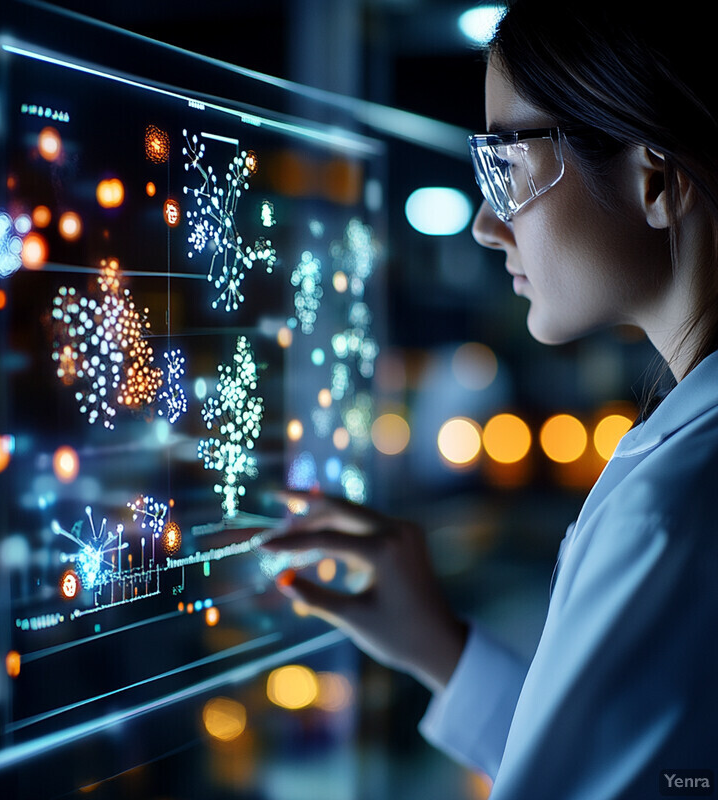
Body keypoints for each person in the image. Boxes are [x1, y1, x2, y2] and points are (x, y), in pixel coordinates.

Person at [262, 1, 718, 797]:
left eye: (504, 167)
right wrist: (440, 646)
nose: (484, 223)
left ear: (653, 178)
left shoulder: (671, 510)